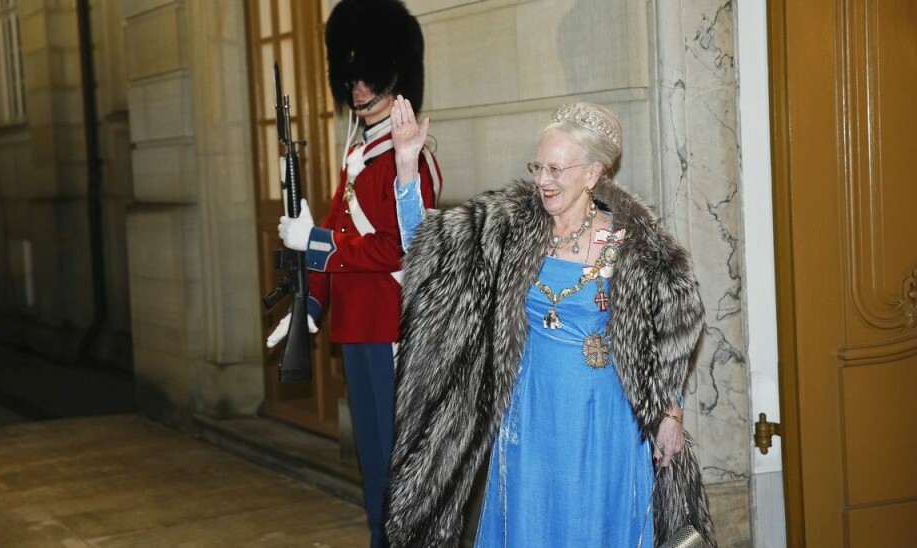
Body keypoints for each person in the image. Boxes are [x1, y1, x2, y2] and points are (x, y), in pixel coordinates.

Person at [382, 98, 717, 547]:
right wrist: (407, 166)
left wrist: (670, 412)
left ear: (593, 174)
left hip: (607, 423)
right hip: (531, 418)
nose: (542, 180)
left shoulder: (632, 246)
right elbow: (427, 252)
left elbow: (668, 336)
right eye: (537, 167)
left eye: (556, 169)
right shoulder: (510, 228)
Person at [265, 2, 440, 547]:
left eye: (370, 77)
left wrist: (315, 241)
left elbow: (397, 249)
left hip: (392, 330)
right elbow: (338, 236)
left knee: (399, 470)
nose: (359, 88)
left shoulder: (412, 160)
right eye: (352, 76)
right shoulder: (358, 154)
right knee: (374, 471)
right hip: (357, 331)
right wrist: (310, 307)